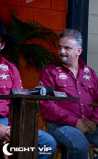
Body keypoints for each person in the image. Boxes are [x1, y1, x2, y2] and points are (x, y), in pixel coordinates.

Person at [39, 29, 98, 159]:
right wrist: (75, 121)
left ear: (79, 51)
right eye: (60, 47)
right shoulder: (50, 72)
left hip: (88, 126)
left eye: (67, 48)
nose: (62, 52)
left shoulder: (90, 73)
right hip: (61, 126)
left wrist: (94, 122)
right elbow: (46, 105)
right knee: (80, 145)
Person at [0, 19, 57, 158]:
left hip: (9, 122)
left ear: (2, 45)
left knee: (48, 144)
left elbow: (20, 102)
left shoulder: (10, 68)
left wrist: (12, 129)